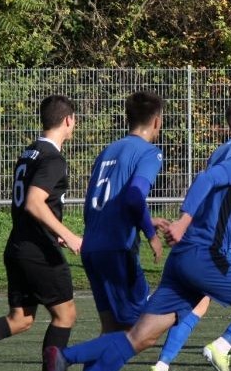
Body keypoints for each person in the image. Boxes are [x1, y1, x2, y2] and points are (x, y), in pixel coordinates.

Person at [45, 112, 231, 371]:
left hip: (184, 259)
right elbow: (207, 178)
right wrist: (183, 220)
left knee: (142, 337)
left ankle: (65, 356)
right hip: (206, 256)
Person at [151, 100, 231, 371]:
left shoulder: (227, 151)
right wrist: (186, 220)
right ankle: (224, 345)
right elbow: (213, 189)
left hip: (217, 239)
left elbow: (228, 200)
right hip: (221, 244)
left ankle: (163, 363)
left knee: (195, 303)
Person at [0, 96, 81, 367]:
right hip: (39, 252)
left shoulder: (29, 152)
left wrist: (51, 226)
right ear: (68, 120)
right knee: (65, 315)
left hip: (18, 247)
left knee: (20, 320)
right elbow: (34, 202)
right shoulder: (53, 158)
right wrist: (68, 234)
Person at [80, 90, 165, 333]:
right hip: (116, 248)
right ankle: (65, 357)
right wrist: (151, 235)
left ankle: (70, 360)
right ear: (157, 121)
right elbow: (134, 197)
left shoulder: (108, 150)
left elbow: (95, 202)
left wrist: (147, 218)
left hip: (92, 247)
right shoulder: (150, 152)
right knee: (140, 328)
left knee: (111, 329)